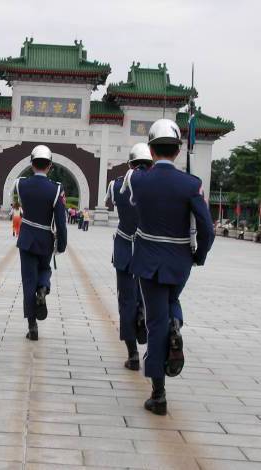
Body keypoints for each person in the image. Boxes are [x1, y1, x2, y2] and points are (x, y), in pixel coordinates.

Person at [122, 119, 214, 415]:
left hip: (148, 259)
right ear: (178, 149)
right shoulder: (191, 184)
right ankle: (176, 324)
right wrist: (199, 254)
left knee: (155, 321)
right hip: (180, 260)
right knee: (172, 302)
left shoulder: (138, 179)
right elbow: (207, 228)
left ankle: (158, 394)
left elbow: (133, 204)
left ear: (150, 149)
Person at [104, 143, 153, 372]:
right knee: (151, 299)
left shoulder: (117, 184)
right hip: (149, 250)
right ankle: (143, 314)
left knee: (126, 301)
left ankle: (132, 354)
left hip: (124, 248)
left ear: (130, 163)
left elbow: (110, 204)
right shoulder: (156, 184)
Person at [14, 145, 67, 340]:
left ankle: (32, 326)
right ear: (50, 166)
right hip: (45, 238)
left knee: (28, 281)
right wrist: (61, 245)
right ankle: (43, 288)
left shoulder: (21, 184)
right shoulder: (56, 189)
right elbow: (60, 222)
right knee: (44, 270)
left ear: (31, 163)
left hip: (27, 237)